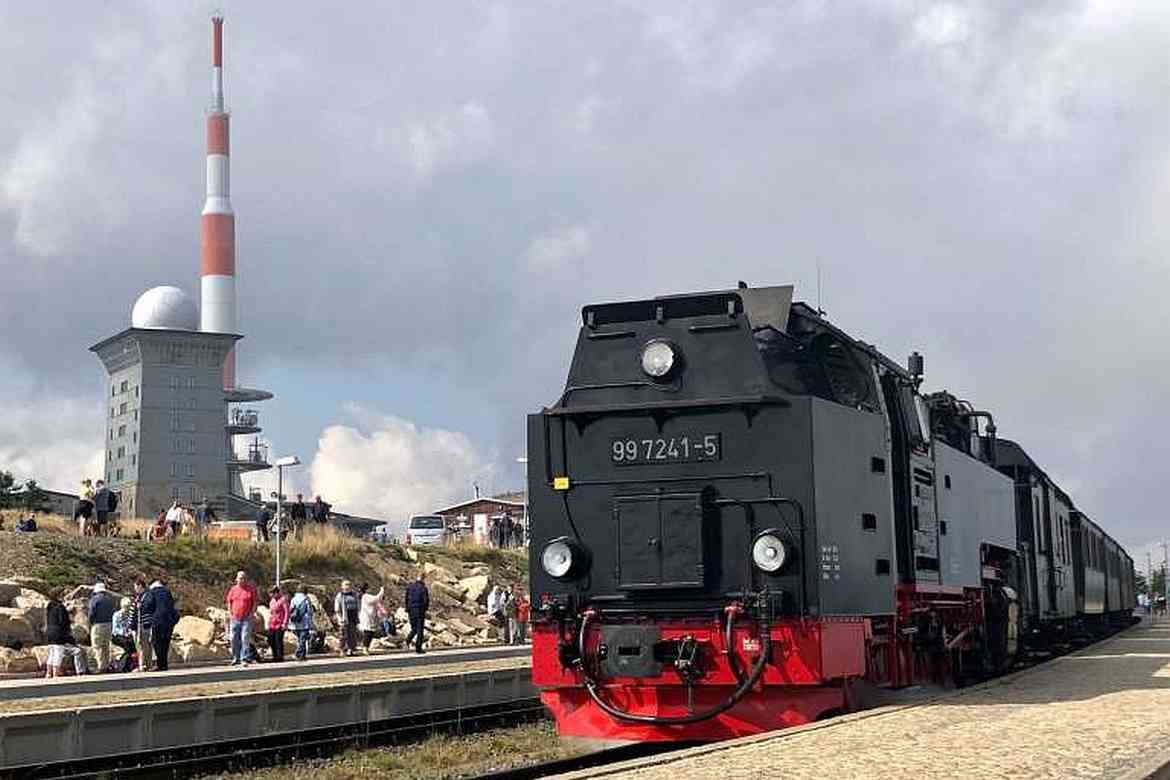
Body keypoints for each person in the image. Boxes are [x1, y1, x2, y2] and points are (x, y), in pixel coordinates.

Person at [44, 588, 87, 677]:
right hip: (58, 633)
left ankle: (48, 673)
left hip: (49, 632)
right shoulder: (60, 607)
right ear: (58, 595)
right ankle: (55, 674)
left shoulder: (49, 606)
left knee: (51, 653)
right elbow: (63, 621)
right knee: (58, 654)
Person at [139, 580, 178, 671]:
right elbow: (172, 605)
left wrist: (142, 606)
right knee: (165, 643)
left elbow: (148, 605)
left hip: (157, 621)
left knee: (157, 642)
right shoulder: (167, 592)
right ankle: (164, 664)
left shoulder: (152, 592)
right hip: (169, 621)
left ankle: (160, 665)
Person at [226, 571, 258, 666]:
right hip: (235, 617)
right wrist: (230, 613)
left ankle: (244, 658)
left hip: (246, 618)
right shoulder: (233, 590)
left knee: (245, 638)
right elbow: (229, 602)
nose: (242, 580)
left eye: (244, 578)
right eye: (240, 578)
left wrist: (252, 613)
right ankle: (236, 658)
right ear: (236, 579)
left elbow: (255, 602)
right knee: (233, 638)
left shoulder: (250, 589)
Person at [87, 582, 116, 673]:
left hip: (98, 625)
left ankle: (101, 666)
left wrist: (90, 623)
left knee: (97, 646)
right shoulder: (110, 600)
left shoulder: (94, 599)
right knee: (106, 646)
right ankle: (106, 665)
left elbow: (91, 613)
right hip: (109, 624)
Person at [404, 570, 430, 654]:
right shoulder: (423, 588)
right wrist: (425, 610)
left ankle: (407, 640)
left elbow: (406, 598)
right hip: (419, 610)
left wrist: (407, 608)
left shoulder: (410, 587)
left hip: (411, 610)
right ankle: (418, 648)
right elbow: (425, 601)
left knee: (414, 628)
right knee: (419, 630)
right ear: (423, 578)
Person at [333, 580, 360, 656]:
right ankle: (341, 650)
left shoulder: (354, 595)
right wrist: (340, 618)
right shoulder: (340, 595)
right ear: (342, 586)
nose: (347, 586)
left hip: (353, 617)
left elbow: (358, 605)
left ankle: (350, 649)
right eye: (346, 585)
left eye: (349, 585)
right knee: (343, 634)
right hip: (344, 617)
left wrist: (358, 616)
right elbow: (337, 608)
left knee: (352, 634)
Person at [358, 582, 386, 653]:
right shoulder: (366, 596)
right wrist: (382, 590)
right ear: (366, 589)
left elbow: (378, 601)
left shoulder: (367, 596)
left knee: (370, 632)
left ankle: (366, 647)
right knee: (368, 632)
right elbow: (377, 598)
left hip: (370, 617)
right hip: (366, 617)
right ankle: (365, 648)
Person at [111, 597, 137, 672]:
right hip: (117, 636)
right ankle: (124, 666)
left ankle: (128, 665)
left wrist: (129, 631)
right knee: (127, 645)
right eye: (126, 607)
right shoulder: (117, 615)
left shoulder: (129, 615)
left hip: (127, 635)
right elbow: (115, 629)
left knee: (133, 645)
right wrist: (123, 632)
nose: (127, 609)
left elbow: (129, 626)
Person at [288, 584, 314, 661]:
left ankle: (302, 655)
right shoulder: (306, 599)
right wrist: (311, 622)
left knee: (300, 639)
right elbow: (309, 611)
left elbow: (291, 610)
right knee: (303, 639)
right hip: (304, 622)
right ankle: (298, 653)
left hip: (296, 622)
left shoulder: (293, 599)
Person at [132, 579, 153, 672]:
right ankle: (146, 664)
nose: (135, 589)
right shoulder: (139, 597)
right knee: (141, 645)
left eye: (136, 587)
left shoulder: (148, 595)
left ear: (140, 586)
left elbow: (149, 606)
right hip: (138, 624)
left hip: (144, 624)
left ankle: (144, 665)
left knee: (143, 645)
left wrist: (141, 605)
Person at [267, 586, 289, 663]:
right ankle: (274, 654)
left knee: (278, 640)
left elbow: (286, 612)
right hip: (272, 623)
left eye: (272, 594)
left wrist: (284, 623)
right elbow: (271, 612)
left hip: (280, 623)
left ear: (276, 593)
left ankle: (279, 656)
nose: (271, 596)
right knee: (270, 639)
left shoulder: (283, 600)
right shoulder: (272, 601)